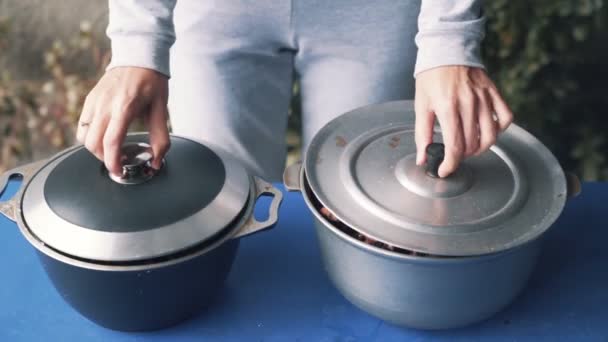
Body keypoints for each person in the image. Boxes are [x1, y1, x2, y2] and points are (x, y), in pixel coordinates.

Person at [77, 0, 513, 181]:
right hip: (219, 13)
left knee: (358, 201)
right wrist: (137, 42)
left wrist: (449, 36)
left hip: (370, 15)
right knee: (224, 200)